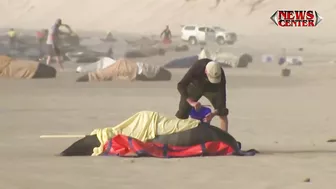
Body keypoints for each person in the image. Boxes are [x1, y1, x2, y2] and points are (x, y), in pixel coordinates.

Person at [175, 58, 229, 132]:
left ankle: (225, 138)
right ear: (206, 71)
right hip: (196, 86)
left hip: (213, 88)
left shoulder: (219, 73)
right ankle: (177, 133)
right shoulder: (197, 67)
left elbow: (222, 98)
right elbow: (181, 85)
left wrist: (213, 114)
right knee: (182, 112)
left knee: (222, 112)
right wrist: (191, 102)